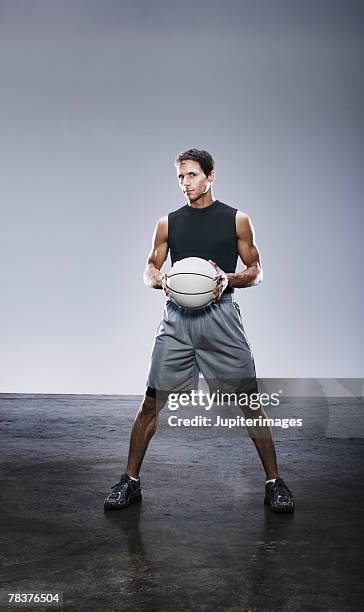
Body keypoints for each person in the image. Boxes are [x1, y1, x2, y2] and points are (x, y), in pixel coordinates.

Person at [104, 148, 294, 513]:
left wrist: (230, 277)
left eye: (191, 175)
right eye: (180, 177)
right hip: (177, 318)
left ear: (211, 175)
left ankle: (275, 483)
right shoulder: (168, 223)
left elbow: (256, 269)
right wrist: (159, 280)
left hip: (221, 315)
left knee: (249, 402)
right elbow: (149, 267)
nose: (185, 183)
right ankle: (130, 482)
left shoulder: (237, 219)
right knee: (150, 402)